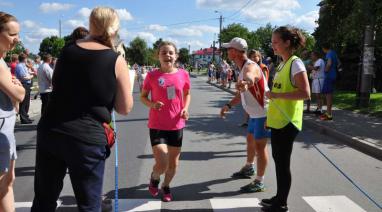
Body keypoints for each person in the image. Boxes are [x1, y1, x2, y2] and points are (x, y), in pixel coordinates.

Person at [31, 7, 133, 212]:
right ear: (114, 29)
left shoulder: (68, 50)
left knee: (44, 199)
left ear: (90, 24)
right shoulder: (115, 60)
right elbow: (124, 108)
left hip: (51, 129)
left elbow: (57, 85)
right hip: (87, 137)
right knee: (89, 204)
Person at [261, 26, 310, 212]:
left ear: (287, 43)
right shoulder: (282, 63)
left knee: (282, 163)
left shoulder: (296, 63)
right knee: (279, 161)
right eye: (272, 42)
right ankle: (279, 197)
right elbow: (278, 94)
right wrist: (269, 117)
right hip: (277, 121)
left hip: (288, 122)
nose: (272, 46)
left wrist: (276, 95)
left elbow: (305, 93)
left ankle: (281, 203)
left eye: (275, 42)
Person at [140, 41, 191, 202]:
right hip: (157, 124)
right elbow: (142, 97)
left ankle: (166, 186)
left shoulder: (183, 74)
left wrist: (185, 108)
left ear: (176, 56)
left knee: (173, 164)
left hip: (176, 125)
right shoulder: (152, 75)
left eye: (170, 52)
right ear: (158, 56)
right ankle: (155, 177)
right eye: (164, 52)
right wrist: (152, 104)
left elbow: (187, 93)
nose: (167, 55)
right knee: (162, 162)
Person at [220, 37, 270, 193]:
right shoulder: (240, 68)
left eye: (229, 49)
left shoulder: (250, 66)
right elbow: (240, 94)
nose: (227, 51)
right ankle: (249, 167)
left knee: (260, 148)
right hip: (254, 114)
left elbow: (251, 76)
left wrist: (246, 82)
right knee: (250, 140)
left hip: (263, 113)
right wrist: (228, 105)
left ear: (235, 51)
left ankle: (259, 181)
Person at [0, 11, 25, 212]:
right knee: (3, 184)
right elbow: (19, 95)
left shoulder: (3, 62)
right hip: (1, 129)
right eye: (11, 34)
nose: (17, 39)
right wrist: (18, 88)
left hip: (6, 127)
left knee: (8, 181)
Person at [320, 43, 338, 121]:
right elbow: (339, 63)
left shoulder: (328, 54)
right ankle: (328, 113)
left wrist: (325, 70)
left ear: (324, 48)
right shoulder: (334, 53)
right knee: (329, 94)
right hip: (334, 75)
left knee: (328, 95)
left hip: (329, 76)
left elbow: (329, 63)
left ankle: (329, 114)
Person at [14, 53, 33, 124]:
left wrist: (30, 73)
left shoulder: (23, 65)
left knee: (26, 102)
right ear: (24, 59)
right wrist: (31, 76)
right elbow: (23, 77)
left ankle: (26, 117)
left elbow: (27, 73)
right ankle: (23, 118)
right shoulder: (20, 66)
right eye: (26, 58)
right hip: (23, 84)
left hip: (26, 85)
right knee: (23, 102)